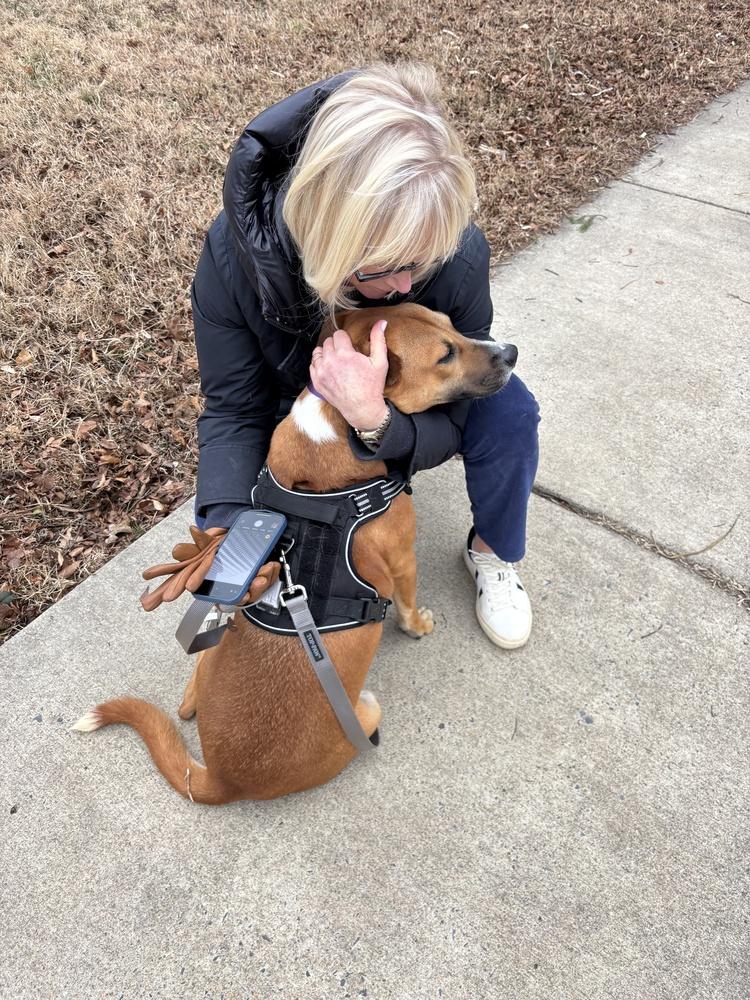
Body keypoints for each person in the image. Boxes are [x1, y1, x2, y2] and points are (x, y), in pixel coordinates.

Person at [191, 61, 541, 649]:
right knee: (232, 567)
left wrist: (376, 423)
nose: (409, 286)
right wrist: (226, 527)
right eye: (387, 267)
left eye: (423, 261)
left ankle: (493, 554)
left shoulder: (454, 252)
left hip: (402, 411)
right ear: (330, 235)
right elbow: (234, 409)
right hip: (298, 413)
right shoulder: (232, 262)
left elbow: (459, 402)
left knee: (510, 411)